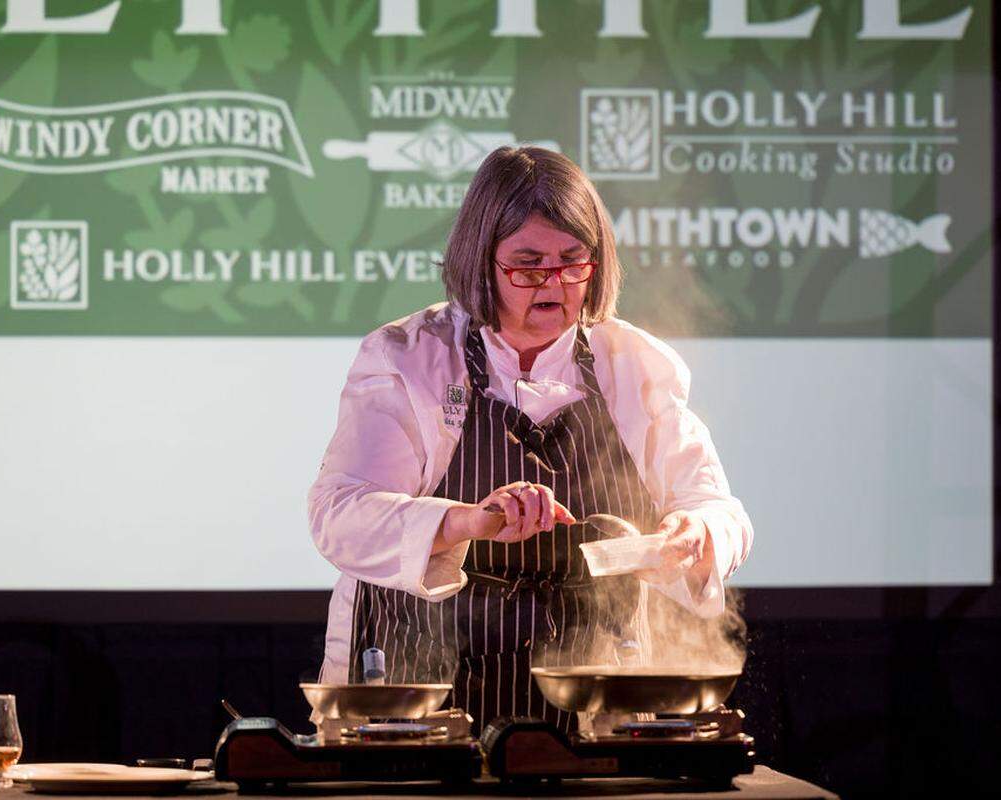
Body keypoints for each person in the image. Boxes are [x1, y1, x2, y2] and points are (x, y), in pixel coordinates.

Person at [308, 146, 752, 734]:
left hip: (593, 696)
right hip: (421, 691)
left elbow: (718, 509)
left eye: (573, 262)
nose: (554, 284)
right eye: (528, 264)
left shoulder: (636, 365)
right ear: (481, 261)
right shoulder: (408, 359)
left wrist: (698, 532)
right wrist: (465, 521)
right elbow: (339, 515)